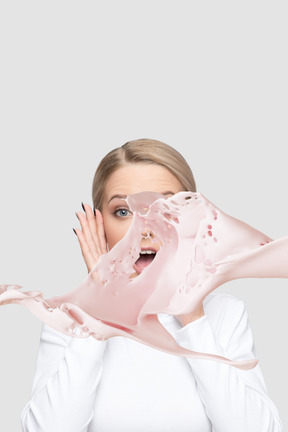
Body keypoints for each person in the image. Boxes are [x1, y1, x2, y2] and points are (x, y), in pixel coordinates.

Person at [21, 139, 283, 432]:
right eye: (123, 211)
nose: (143, 229)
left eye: (164, 207)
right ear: (99, 224)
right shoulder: (68, 320)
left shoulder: (225, 315)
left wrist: (192, 317)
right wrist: (99, 310)